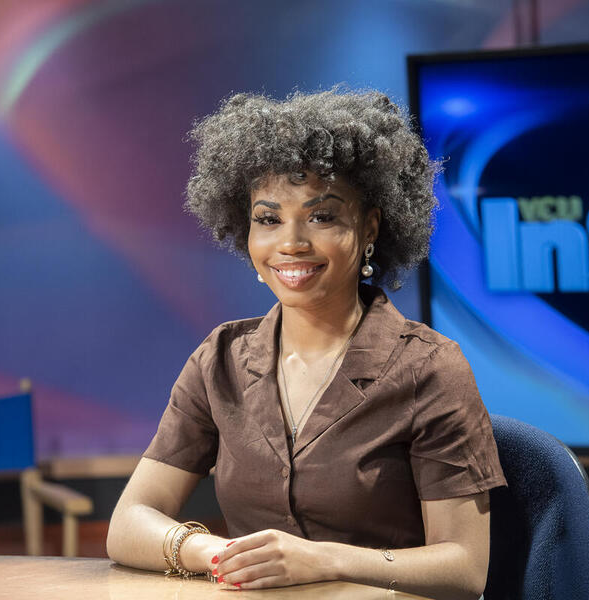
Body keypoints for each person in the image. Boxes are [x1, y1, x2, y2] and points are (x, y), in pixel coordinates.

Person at [106, 88, 506, 599]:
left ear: (369, 228)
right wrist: (220, 555)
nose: (291, 242)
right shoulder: (219, 360)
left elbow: (465, 569)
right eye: (268, 219)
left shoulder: (429, 369)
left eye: (322, 217)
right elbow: (127, 524)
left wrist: (318, 560)